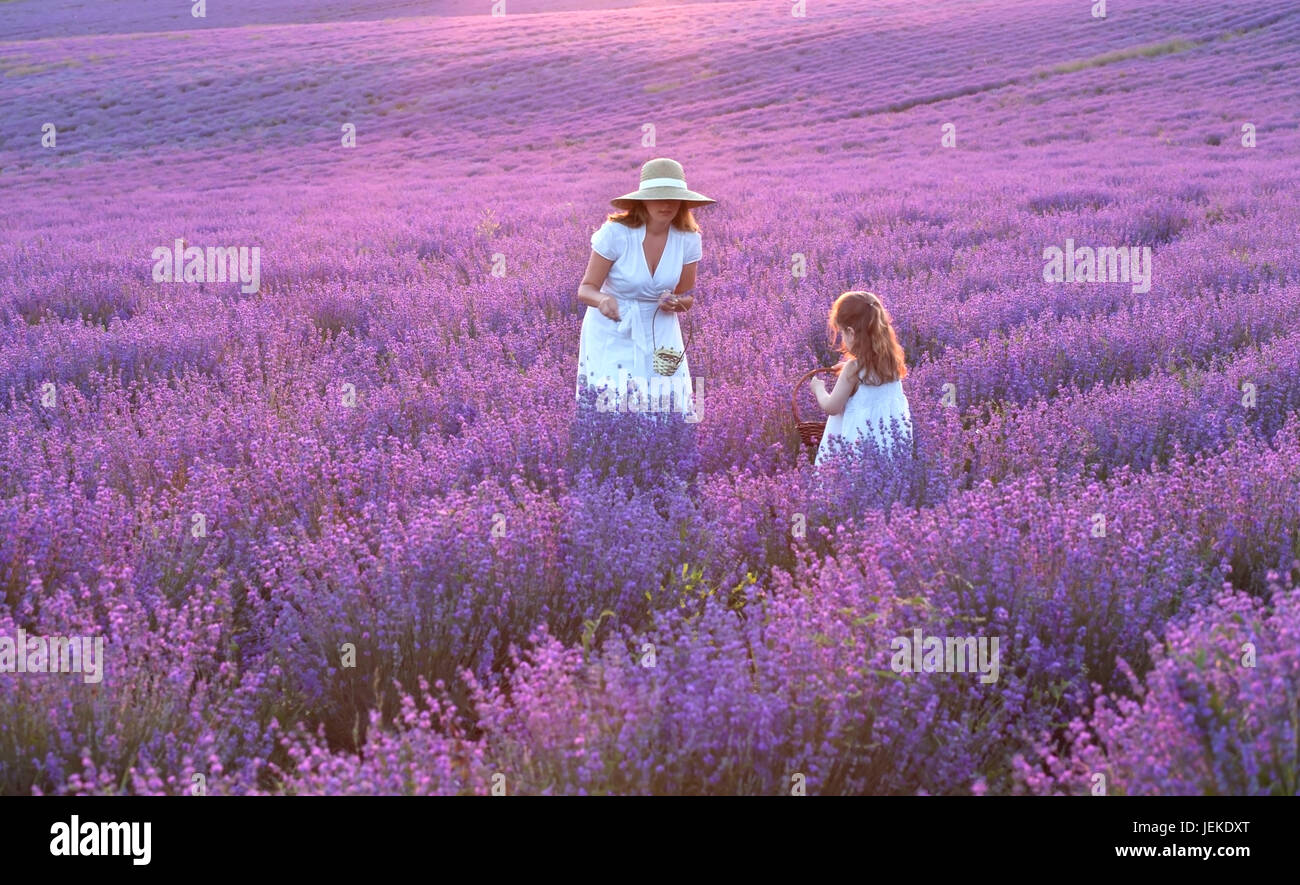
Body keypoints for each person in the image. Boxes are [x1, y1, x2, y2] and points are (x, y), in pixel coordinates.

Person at [574, 157, 715, 418]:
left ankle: (665, 455)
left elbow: (687, 296)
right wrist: (603, 300)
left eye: (673, 197)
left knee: (663, 401)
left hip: (660, 329)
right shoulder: (615, 233)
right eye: (659, 197)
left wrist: (674, 303)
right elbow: (586, 288)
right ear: (643, 200)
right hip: (613, 329)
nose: (667, 204)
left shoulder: (688, 238)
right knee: (613, 400)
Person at [810, 291, 912, 466]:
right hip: (890, 444)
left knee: (852, 486)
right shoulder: (892, 361)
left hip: (859, 450)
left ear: (850, 332)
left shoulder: (853, 370)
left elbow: (832, 407)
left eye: (841, 332)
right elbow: (871, 376)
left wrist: (818, 389)